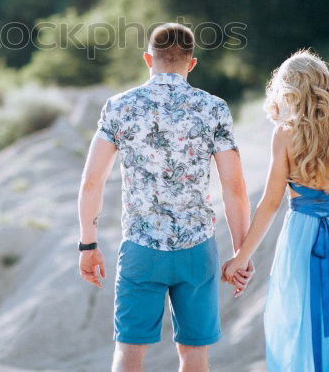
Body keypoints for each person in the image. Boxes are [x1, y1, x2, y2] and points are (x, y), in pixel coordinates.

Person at [77, 22, 253, 372]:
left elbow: (92, 182)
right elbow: (234, 187)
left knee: (129, 352)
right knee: (194, 355)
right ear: (191, 63)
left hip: (141, 249)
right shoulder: (213, 108)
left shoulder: (119, 106)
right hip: (197, 250)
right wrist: (240, 254)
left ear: (148, 59)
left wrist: (88, 244)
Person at [222, 48, 329, 371]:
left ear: (288, 90)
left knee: (299, 321)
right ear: (326, 84)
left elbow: (270, 203)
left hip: (300, 236)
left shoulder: (284, 135)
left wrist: (241, 257)